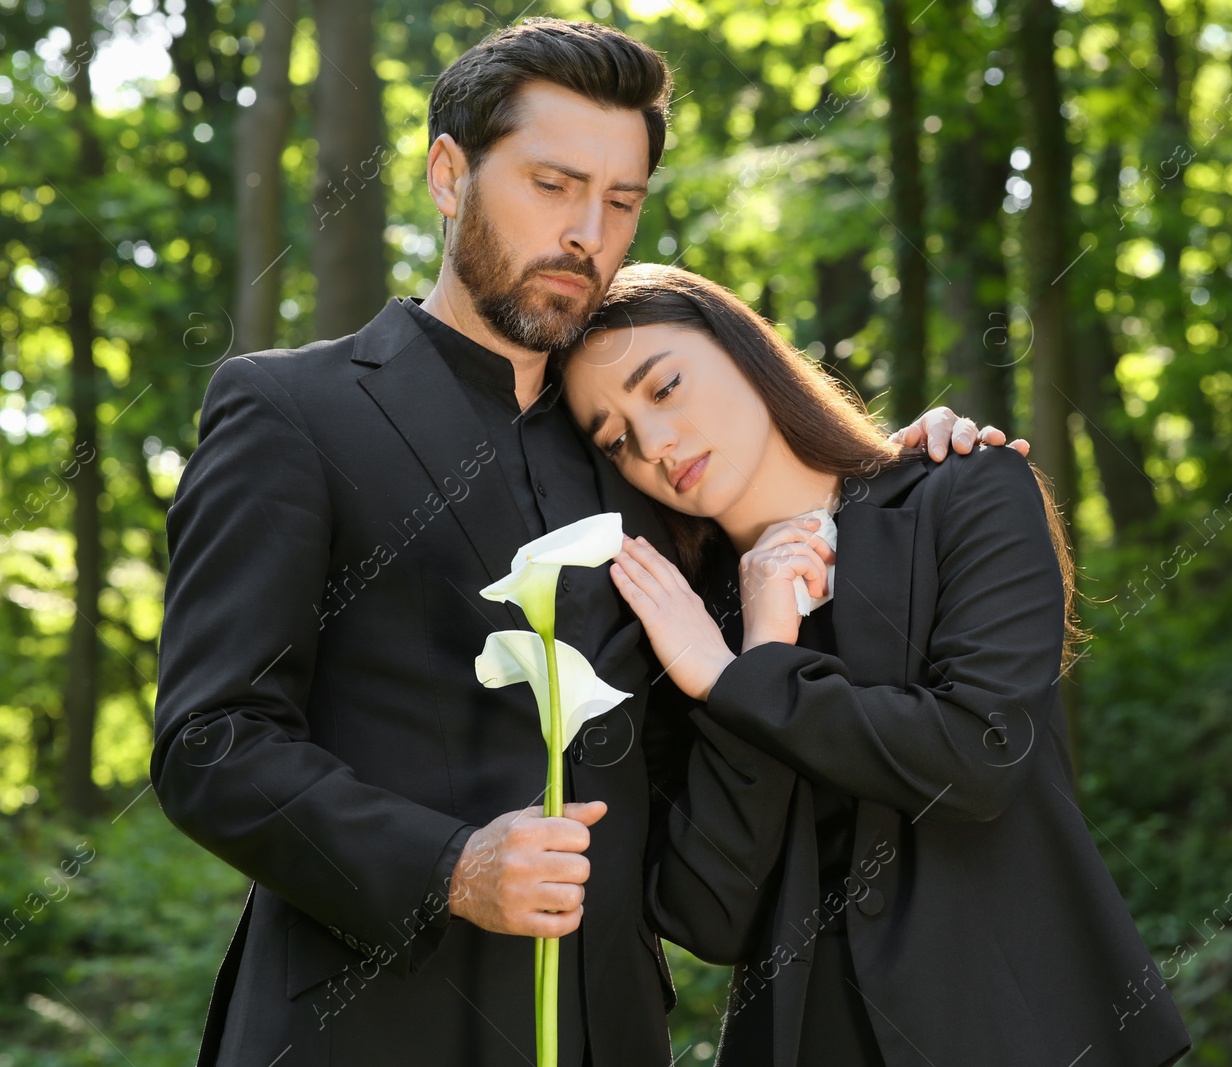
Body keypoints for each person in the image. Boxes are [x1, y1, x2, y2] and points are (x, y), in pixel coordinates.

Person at [150, 17, 1006, 1067]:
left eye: (620, 202)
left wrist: (903, 476)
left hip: (611, 1030)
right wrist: (450, 865)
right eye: (552, 186)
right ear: (448, 173)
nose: (586, 233)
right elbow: (210, 740)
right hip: (362, 1028)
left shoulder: (643, 463)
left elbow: (705, 868)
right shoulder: (292, 408)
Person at [555, 264, 1194, 1067]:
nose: (654, 444)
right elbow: (706, 914)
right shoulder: (674, 623)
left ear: (743, 347)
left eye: (664, 387)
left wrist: (741, 679)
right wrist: (744, 652)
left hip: (1025, 1032)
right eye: (616, 438)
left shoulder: (964, 492)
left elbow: (980, 756)